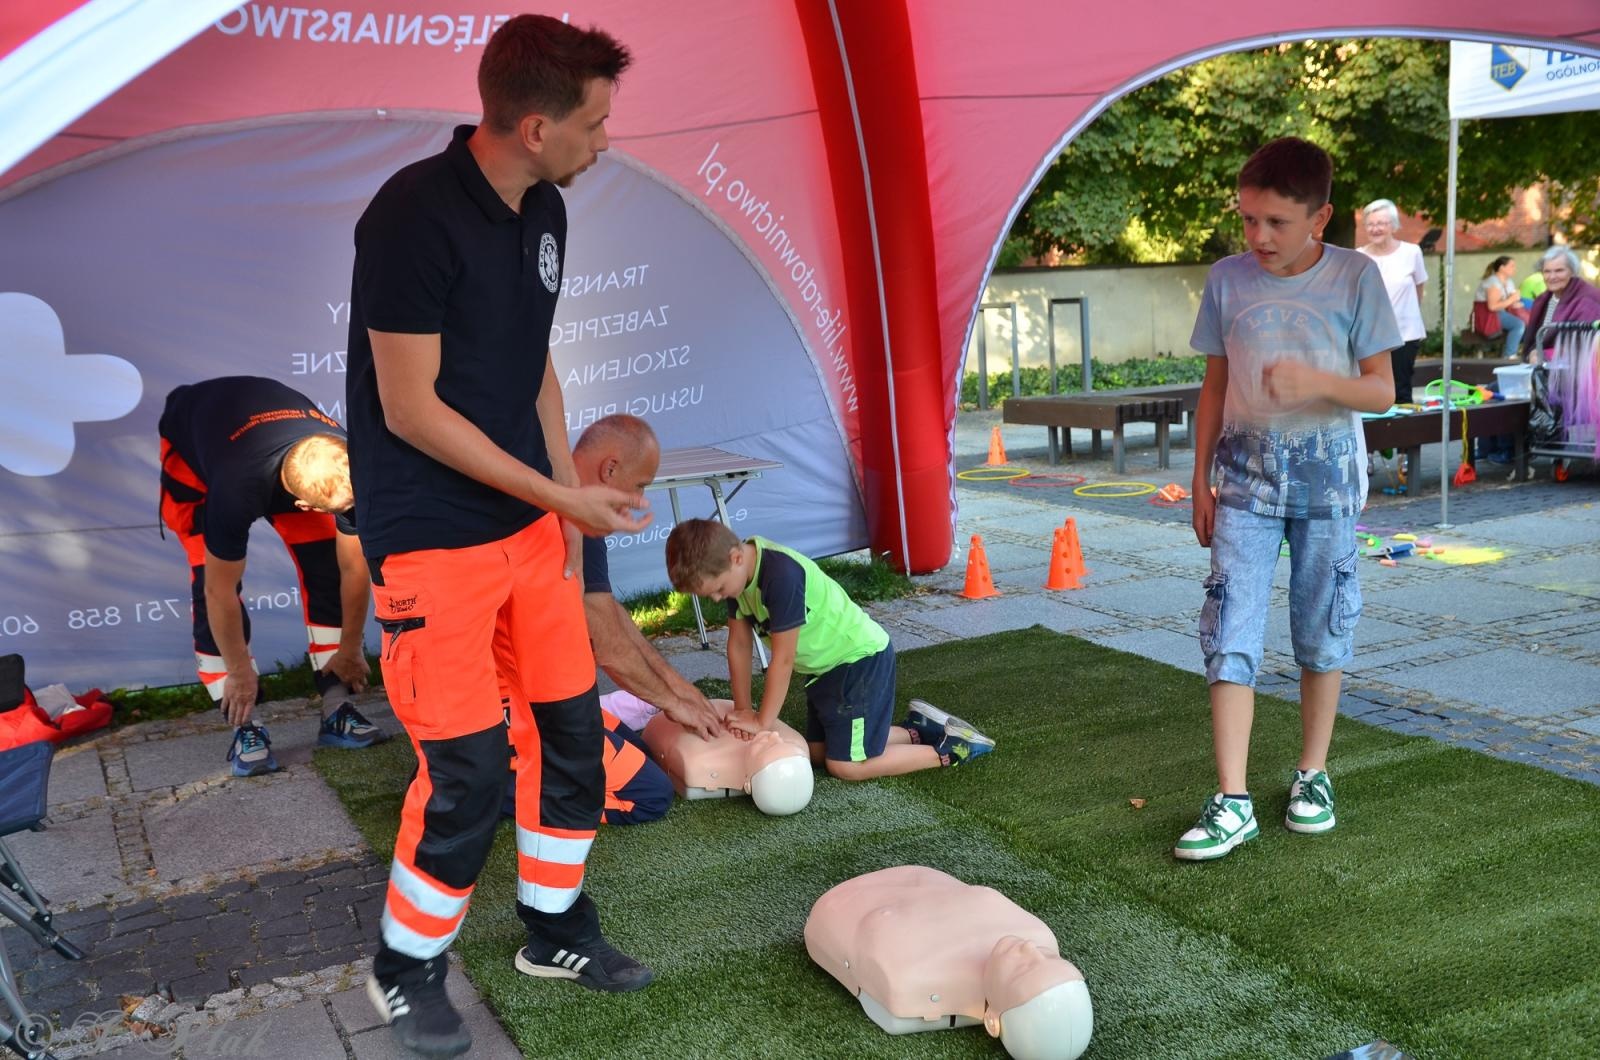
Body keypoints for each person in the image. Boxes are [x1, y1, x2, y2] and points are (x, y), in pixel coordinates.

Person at [345, 16, 657, 1058]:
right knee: (468, 770)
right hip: (431, 538)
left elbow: (534, 362)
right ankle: (404, 967)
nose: (604, 141)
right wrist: (561, 499)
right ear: (534, 125)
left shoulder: (546, 207)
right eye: (596, 123)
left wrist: (563, 501)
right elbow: (411, 409)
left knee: (572, 736)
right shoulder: (410, 218)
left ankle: (555, 932)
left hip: (530, 533)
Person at [1180, 138, 1399, 862]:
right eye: (1247, 220)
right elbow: (1214, 385)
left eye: (1275, 222)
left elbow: (1382, 389)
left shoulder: (1357, 277)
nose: (1257, 237)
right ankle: (1232, 798)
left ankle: (1313, 775)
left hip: (1330, 491)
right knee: (1229, 634)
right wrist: (1202, 475)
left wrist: (1316, 382)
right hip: (1242, 487)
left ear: (1321, 217)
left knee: (1321, 631)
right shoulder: (1226, 280)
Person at [157, 376, 385, 778]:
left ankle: (336, 708)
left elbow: (353, 568)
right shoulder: (235, 489)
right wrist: (240, 670)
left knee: (327, 568)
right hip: (195, 441)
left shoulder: (354, 467)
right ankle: (245, 725)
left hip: (278, 440)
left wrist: (351, 648)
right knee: (204, 579)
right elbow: (218, 591)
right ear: (301, 504)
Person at [664, 518, 994, 781]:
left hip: (857, 664)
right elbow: (738, 645)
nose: (720, 599)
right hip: (826, 672)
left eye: (719, 590)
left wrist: (763, 721)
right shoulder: (737, 574)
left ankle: (953, 749)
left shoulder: (780, 576)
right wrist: (743, 710)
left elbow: (783, 660)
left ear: (736, 558)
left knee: (846, 766)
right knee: (813, 752)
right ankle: (918, 730)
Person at [804, 865, 1093, 1060]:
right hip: (919, 878)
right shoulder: (1039, 935)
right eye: (1050, 957)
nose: (1030, 948)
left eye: (1025, 968)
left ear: (992, 1021)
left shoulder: (908, 974)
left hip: (843, 903)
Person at [570, 415, 720, 740]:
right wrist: (671, 702)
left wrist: (676, 685)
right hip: (514, 703)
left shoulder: (572, 498)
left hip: (530, 691)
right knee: (650, 789)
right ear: (609, 468)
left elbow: (604, 608)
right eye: (640, 486)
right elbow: (608, 645)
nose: (640, 502)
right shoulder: (574, 513)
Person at [640, 698, 815, 816]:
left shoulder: (699, 761)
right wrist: (743, 709)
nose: (774, 736)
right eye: (781, 742)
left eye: (766, 747)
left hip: (666, 725)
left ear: (747, 785)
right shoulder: (797, 743)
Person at [1357, 198, 1427, 404]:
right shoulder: (1359, 257)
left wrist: (1409, 316)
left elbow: (1418, 288)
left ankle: (1405, 434)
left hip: (1405, 332)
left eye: (1381, 223)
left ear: (1393, 225)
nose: (1375, 228)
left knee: (1401, 390)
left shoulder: (1411, 252)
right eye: (1371, 224)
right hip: (1371, 336)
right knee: (1373, 390)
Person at [1519, 245, 1600, 363]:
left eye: (1559, 270)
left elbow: (1583, 345)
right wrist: (1534, 354)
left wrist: (1543, 355)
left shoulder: (1587, 299)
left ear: (1572, 272)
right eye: (1547, 271)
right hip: (1544, 367)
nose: (1552, 277)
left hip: (1577, 372)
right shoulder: (1543, 299)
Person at [1474, 256, 1527, 359]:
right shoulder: (1493, 282)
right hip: (1488, 315)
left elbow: (1511, 301)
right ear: (1502, 267)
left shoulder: (1509, 282)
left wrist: (1516, 301)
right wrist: (1512, 299)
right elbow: (1492, 306)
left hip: (1499, 313)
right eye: (1512, 266)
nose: (1514, 269)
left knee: (1528, 321)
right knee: (1518, 325)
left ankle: (1523, 352)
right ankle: (1509, 355)